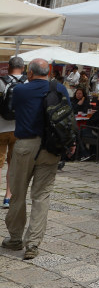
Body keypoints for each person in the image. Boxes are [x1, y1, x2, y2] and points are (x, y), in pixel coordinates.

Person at [2, 59, 73, 259]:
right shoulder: (60, 89)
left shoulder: (20, 91)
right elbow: (68, 116)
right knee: (41, 196)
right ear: (48, 71)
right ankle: (33, 243)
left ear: (30, 73)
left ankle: (15, 238)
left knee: (18, 192)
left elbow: (12, 111)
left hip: (25, 145)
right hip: (51, 147)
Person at [0, 56, 27, 208]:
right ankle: (8, 197)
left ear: (9, 67)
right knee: (12, 163)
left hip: (1, 128)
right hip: (19, 129)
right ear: (23, 68)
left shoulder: (1, 81)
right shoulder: (27, 83)